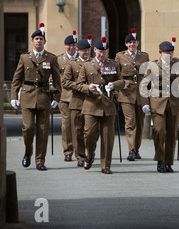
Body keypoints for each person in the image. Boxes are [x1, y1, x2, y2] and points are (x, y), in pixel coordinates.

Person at [10, 23, 61, 171]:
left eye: (41, 39)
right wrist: (14, 95)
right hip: (27, 96)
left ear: (44, 41)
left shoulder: (51, 58)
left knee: (43, 130)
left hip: (44, 97)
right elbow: (17, 78)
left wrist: (56, 98)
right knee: (28, 127)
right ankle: (27, 152)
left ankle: (40, 160)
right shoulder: (25, 58)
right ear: (32, 41)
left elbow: (57, 80)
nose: (38, 41)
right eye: (36, 38)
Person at [140, 38, 179, 173]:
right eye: (167, 53)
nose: (170, 55)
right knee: (159, 131)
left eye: (171, 53)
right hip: (157, 103)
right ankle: (160, 159)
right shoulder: (152, 65)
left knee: (171, 134)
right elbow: (143, 85)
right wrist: (145, 102)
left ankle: (168, 161)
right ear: (160, 52)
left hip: (174, 103)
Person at [76, 37, 129, 174]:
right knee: (89, 134)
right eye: (99, 52)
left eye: (104, 52)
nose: (102, 55)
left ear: (107, 52)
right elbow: (79, 84)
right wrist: (88, 87)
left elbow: (122, 81)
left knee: (107, 136)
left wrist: (114, 85)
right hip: (91, 105)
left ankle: (106, 165)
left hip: (108, 105)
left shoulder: (113, 64)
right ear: (94, 50)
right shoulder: (87, 65)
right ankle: (90, 153)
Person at [114, 28, 149, 161]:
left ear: (137, 43)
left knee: (140, 123)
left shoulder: (144, 56)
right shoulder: (120, 56)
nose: (132, 45)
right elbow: (117, 74)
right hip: (126, 92)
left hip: (141, 92)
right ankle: (131, 150)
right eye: (129, 43)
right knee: (130, 122)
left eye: (134, 42)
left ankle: (137, 148)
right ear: (126, 44)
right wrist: (116, 89)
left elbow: (148, 74)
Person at [61, 38, 91, 167]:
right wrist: (82, 87)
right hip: (77, 100)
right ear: (78, 51)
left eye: (88, 50)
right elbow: (65, 82)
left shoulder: (94, 63)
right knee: (77, 129)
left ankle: (90, 152)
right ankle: (80, 156)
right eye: (84, 50)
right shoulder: (72, 64)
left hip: (92, 101)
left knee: (91, 130)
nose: (86, 53)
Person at [57, 30, 78, 162]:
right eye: (68, 45)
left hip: (79, 96)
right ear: (65, 46)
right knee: (66, 125)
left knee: (79, 125)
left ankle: (79, 150)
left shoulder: (83, 58)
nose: (71, 48)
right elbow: (53, 77)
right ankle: (68, 151)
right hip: (64, 96)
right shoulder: (59, 59)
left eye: (73, 45)